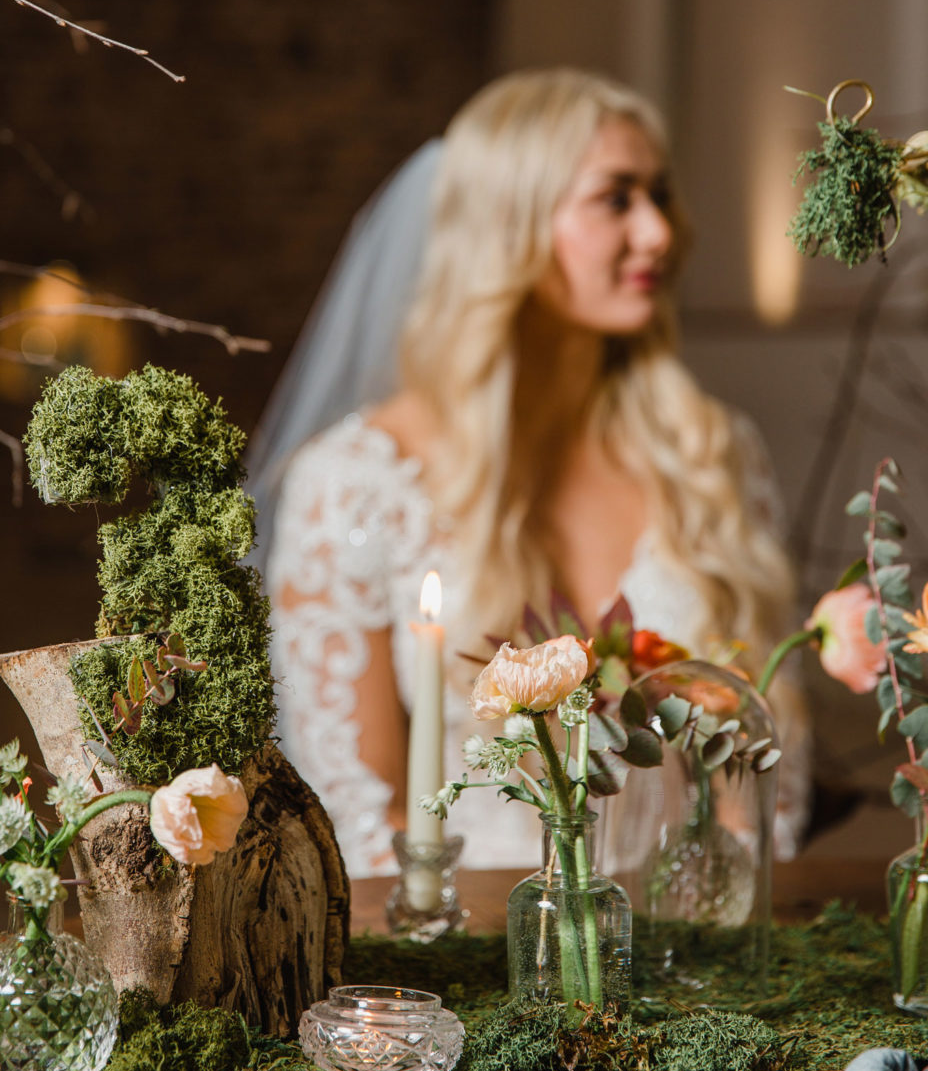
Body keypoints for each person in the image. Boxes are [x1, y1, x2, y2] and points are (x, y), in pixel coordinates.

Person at [255, 68, 808, 877]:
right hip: (461, 953)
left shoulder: (712, 455)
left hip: (694, 945)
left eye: (659, 194)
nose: (657, 231)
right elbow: (352, 810)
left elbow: (768, 775)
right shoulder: (355, 482)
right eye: (615, 198)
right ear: (507, 227)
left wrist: (703, 924)